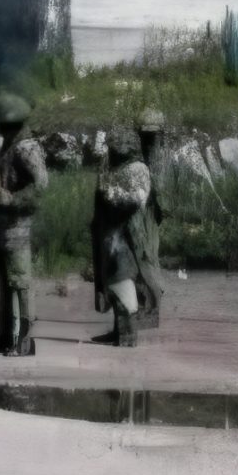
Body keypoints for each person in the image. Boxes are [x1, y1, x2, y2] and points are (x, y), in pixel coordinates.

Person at [0, 94, 46, 356]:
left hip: (18, 225)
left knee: (20, 282)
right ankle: (7, 337)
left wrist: (12, 199)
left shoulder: (26, 147)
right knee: (8, 281)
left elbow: (41, 185)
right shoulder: (8, 146)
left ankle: (24, 341)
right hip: (1, 224)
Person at [90, 130, 151, 348]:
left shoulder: (137, 168)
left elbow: (137, 199)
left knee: (122, 279)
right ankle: (119, 330)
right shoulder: (114, 168)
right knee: (111, 280)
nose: (115, 145)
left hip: (126, 235)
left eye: (120, 142)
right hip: (110, 233)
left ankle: (128, 335)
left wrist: (112, 193)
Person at [132, 109, 168, 329]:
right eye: (146, 135)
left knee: (148, 259)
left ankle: (151, 310)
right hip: (144, 211)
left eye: (152, 135)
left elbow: (160, 190)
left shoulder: (157, 157)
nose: (149, 139)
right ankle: (147, 308)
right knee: (145, 259)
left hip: (148, 212)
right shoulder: (149, 155)